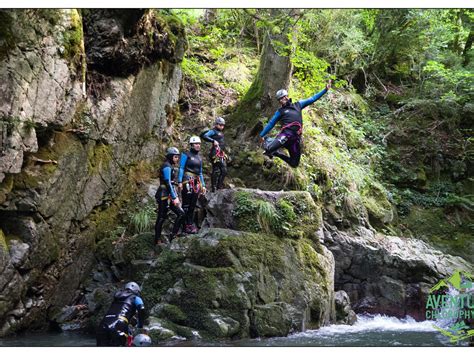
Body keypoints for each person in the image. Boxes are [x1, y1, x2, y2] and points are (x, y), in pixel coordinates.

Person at [259, 80, 332, 168]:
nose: (283, 99)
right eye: (281, 99)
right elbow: (271, 124)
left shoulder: (298, 105)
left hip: (295, 139)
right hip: (286, 135)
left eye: (284, 97)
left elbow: (312, 99)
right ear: (279, 101)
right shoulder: (280, 112)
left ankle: (276, 153)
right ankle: (268, 140)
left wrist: (325, 90)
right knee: (268, 149)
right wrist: (262, 135)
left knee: (294, 163)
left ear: (287, 96)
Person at [96, 282, 146, 347]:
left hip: (103, 324)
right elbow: (141, 309)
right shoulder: (135, 298)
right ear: (136, 291)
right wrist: (140, 325)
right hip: (119, 324)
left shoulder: (116, 297)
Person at [154, 147, 186, 245]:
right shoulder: (166, 166)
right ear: (171, 157)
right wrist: (174, 197)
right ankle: (157, 239)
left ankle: (173, 235)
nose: (177, 159)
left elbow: (170, 182)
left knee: (181, 214)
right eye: (175, 157)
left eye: (177, 157)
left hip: (168, 193)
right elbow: (167, 182)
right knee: (161, 217)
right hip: (164, 194)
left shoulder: (169, 166)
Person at [178, 136, 207, 234]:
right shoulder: (185, 155)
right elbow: (181, 168)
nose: (198, 145)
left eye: (199, 144)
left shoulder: (199, 158)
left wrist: (203, 185)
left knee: (193, 205)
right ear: (191, 145)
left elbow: (200, 173)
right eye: (196, 144)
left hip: (196, 182)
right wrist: (179, 182)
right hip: (187, 180)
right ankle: (184, 225)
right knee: (186, 204)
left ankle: (189, 224)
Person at [202, 117, 228, 192]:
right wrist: (213, 140)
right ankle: (215, 187)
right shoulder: (213, 131)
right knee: (219, 169)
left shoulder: (221, 132)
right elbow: (205, 136)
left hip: (220, 153)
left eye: (223, 125)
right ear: (216, 124)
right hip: (215, 153)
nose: (222, 126)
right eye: (220, 125)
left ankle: (217, 186)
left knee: (222, 170)